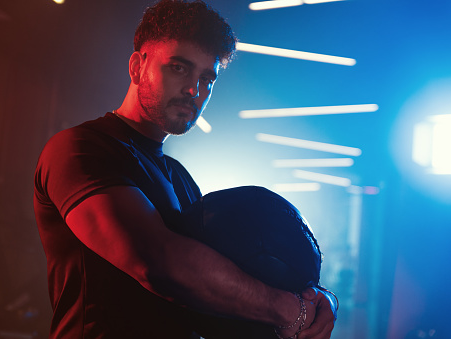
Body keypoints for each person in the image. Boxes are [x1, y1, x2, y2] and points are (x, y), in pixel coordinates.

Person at [33, 1, 337, 338]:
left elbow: (230, 275)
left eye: (207, 78)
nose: (195, 91)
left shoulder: (181, 179)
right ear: (137, 67)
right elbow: (157, 262)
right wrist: (290, 309)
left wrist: (319, 300)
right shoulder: (81, 149)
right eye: (179, 68)